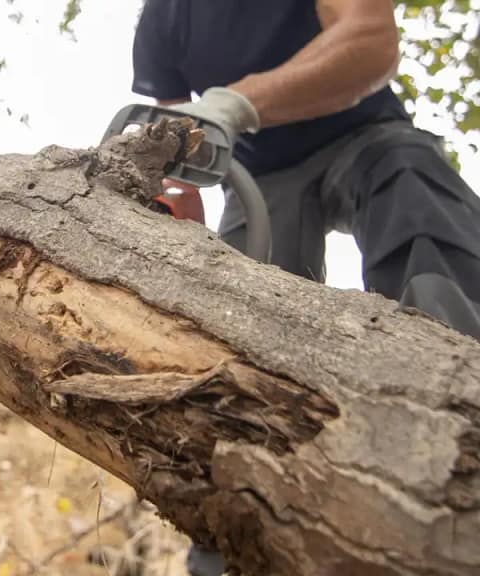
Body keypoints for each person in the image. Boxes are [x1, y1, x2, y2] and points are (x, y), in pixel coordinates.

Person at [129, 1, 480, 574]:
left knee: (413, 191)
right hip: (260, 180)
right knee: (233, 330)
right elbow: (172, 151)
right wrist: (169, 238)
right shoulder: (165, 15)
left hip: (366, 133)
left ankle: (465, 388)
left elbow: (370, 38)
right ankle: (233, 534)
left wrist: (241, 101)